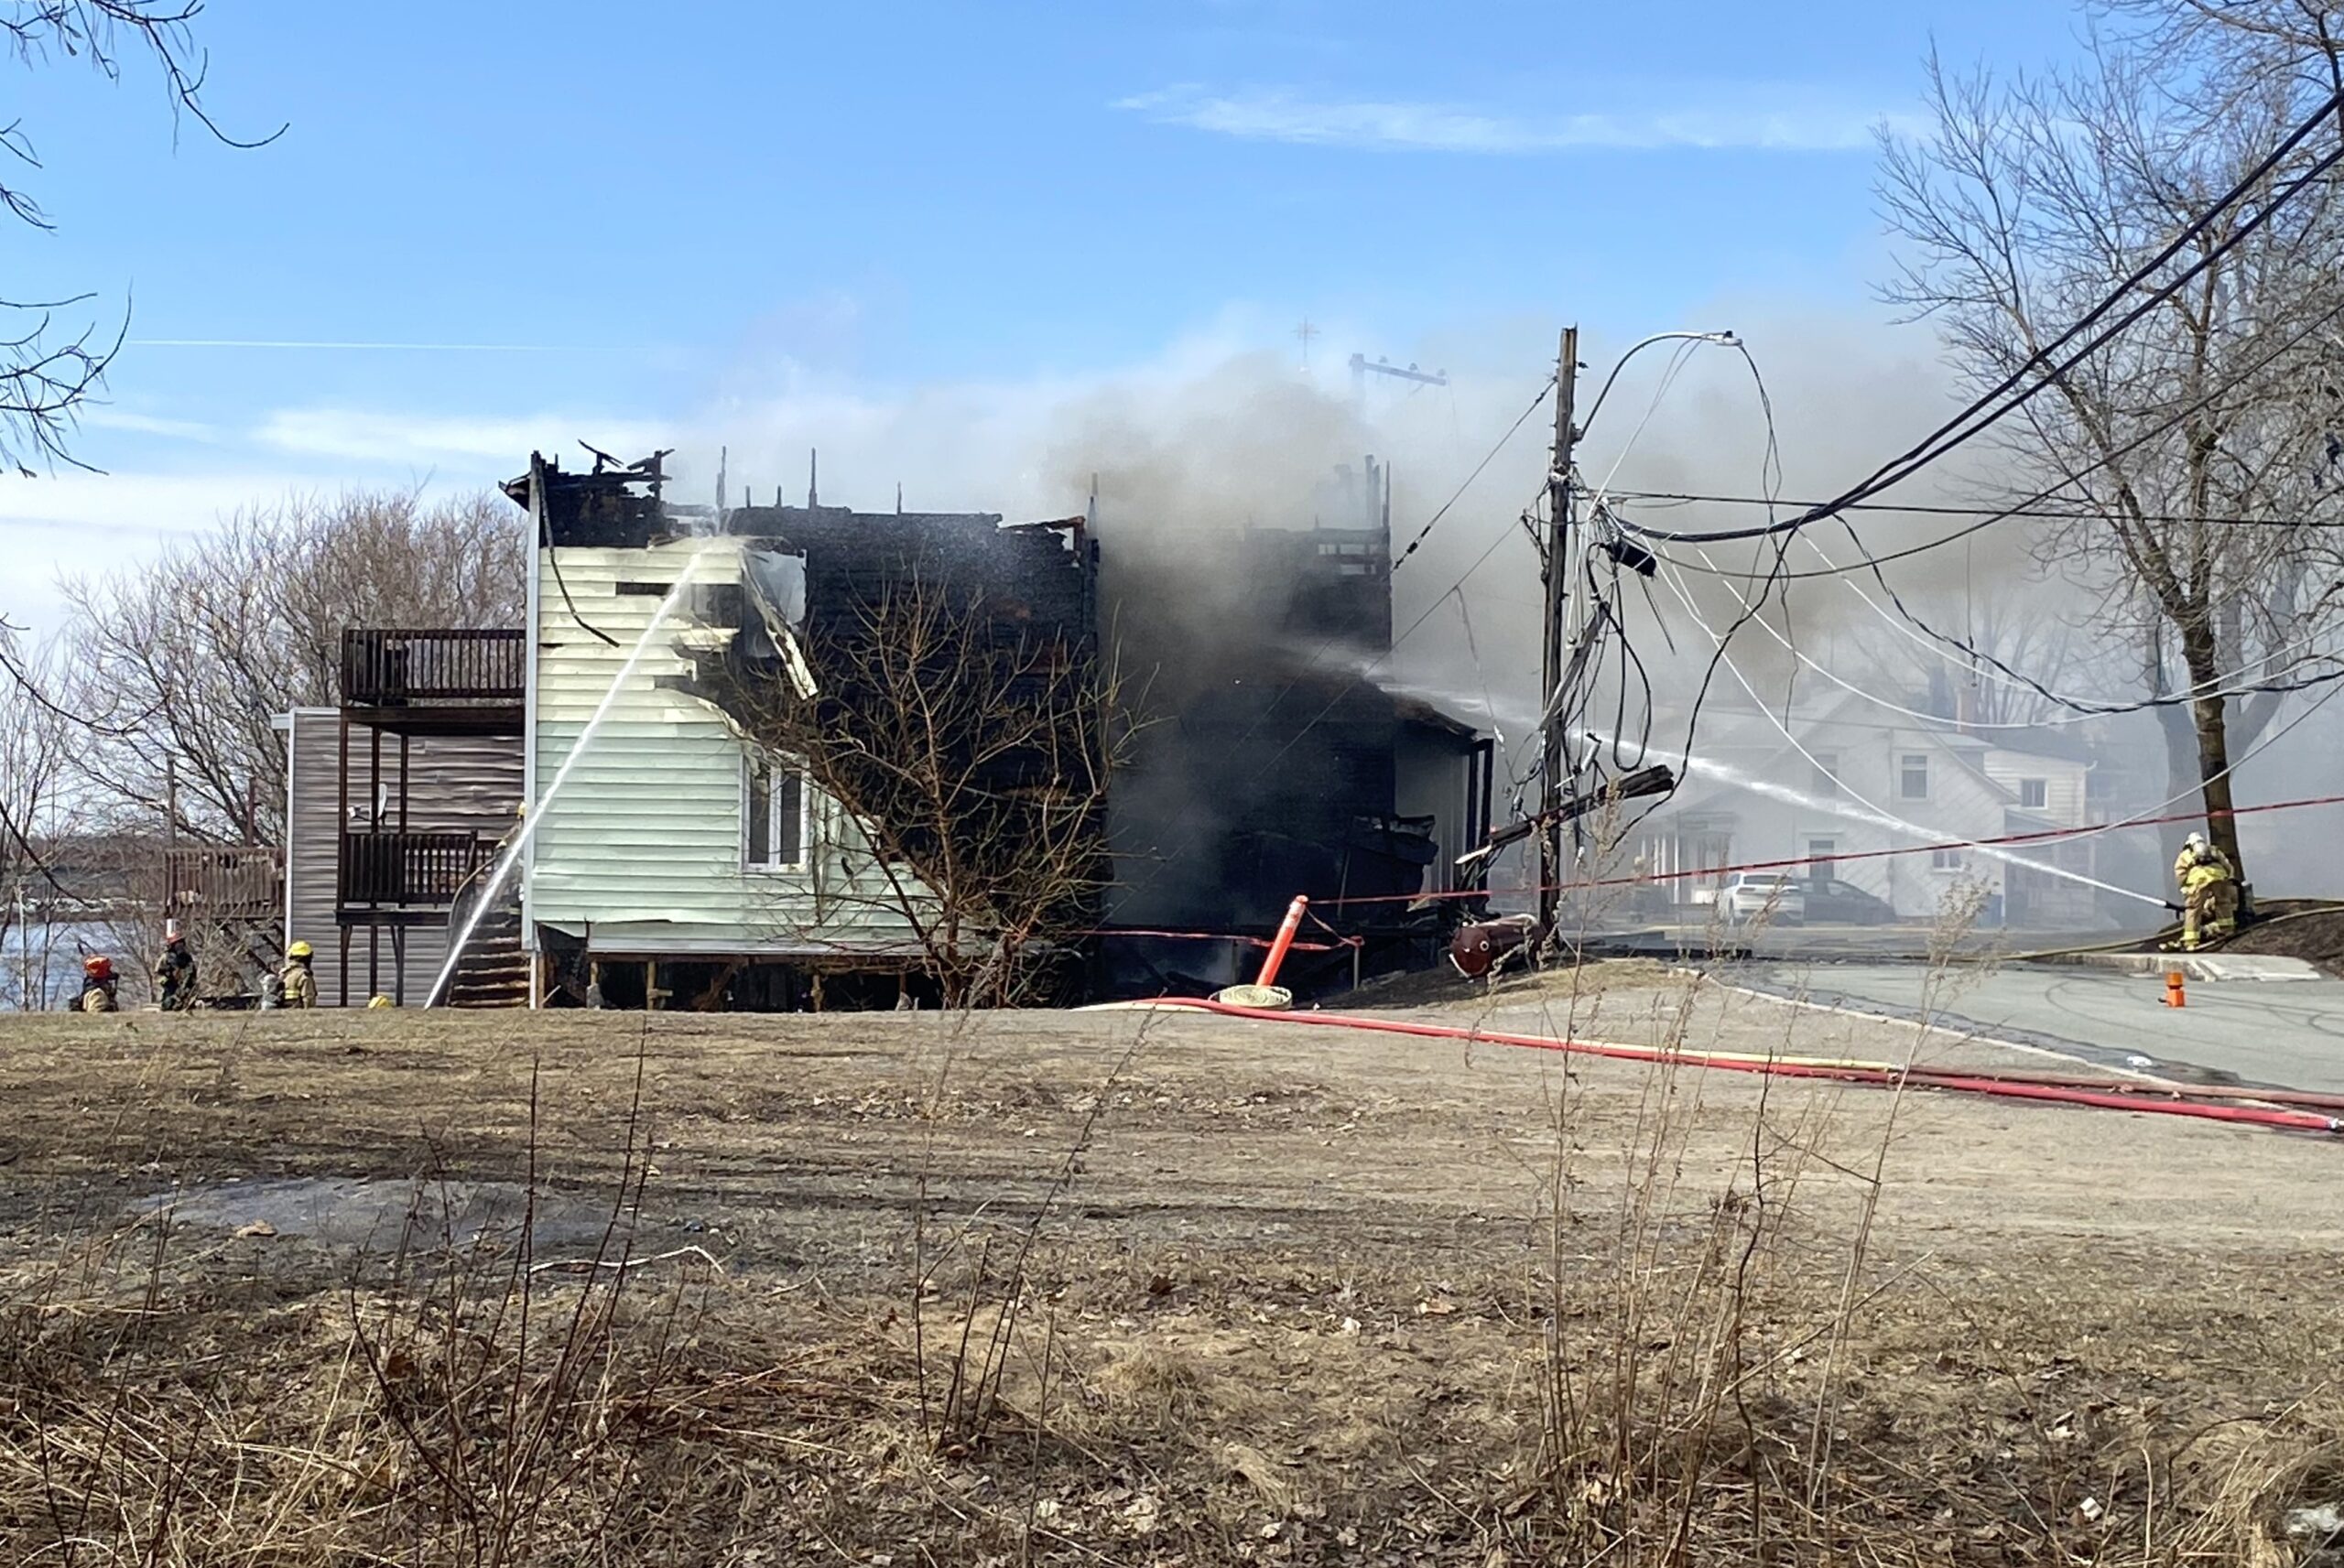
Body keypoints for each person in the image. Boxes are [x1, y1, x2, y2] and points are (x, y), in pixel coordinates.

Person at [2166, 831, 2241, 951]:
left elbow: (2180, 872)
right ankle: (2227, 930)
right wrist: (2228, 878)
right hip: (2218, 877)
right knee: (2223, 902)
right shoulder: (2213, 850)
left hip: (2198, 881)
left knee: (2193, 909)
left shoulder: (2185, 855)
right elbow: (2227, 865)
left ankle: (2191, 941)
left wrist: (2184, 886)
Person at [154, 925, 198, 1012]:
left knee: (187, 1002)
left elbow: (192, 973)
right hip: (171, 986)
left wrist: (187, 985)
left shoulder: (187, 958)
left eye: (181, 943)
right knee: (168, 1005)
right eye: (177, 943)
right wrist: (168, 983)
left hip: (185, 987)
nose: (180, 945)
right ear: (173, 945)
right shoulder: (165, 957)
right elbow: (157, 974)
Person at [279, 939, 318, 1009]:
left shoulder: (284, 973)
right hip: (297, 1011)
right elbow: (308, 998)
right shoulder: (303, 975)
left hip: (283, 1011)